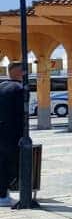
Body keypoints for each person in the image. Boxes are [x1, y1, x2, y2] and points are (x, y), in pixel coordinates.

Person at [0, 63, 27, 207]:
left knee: (1, 163)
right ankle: (4, 194)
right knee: (12, 163)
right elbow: (21, 114)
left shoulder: (1, 86)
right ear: (20, 73)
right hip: (12, 134)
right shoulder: (19, 89)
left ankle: (2, 194)